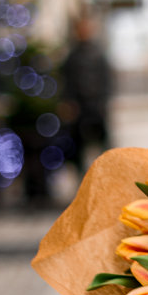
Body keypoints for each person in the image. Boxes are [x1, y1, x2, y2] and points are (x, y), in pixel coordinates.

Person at [58, 14, 113, 175]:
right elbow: (66, 80)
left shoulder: (98, 54)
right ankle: (82, 178)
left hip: (96, 106)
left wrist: (104, 101)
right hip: (78, 108)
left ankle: (107, 175)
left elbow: (106, 79)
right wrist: (67, 102)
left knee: (103, 145)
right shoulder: (72, 56)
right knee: (78, 146)